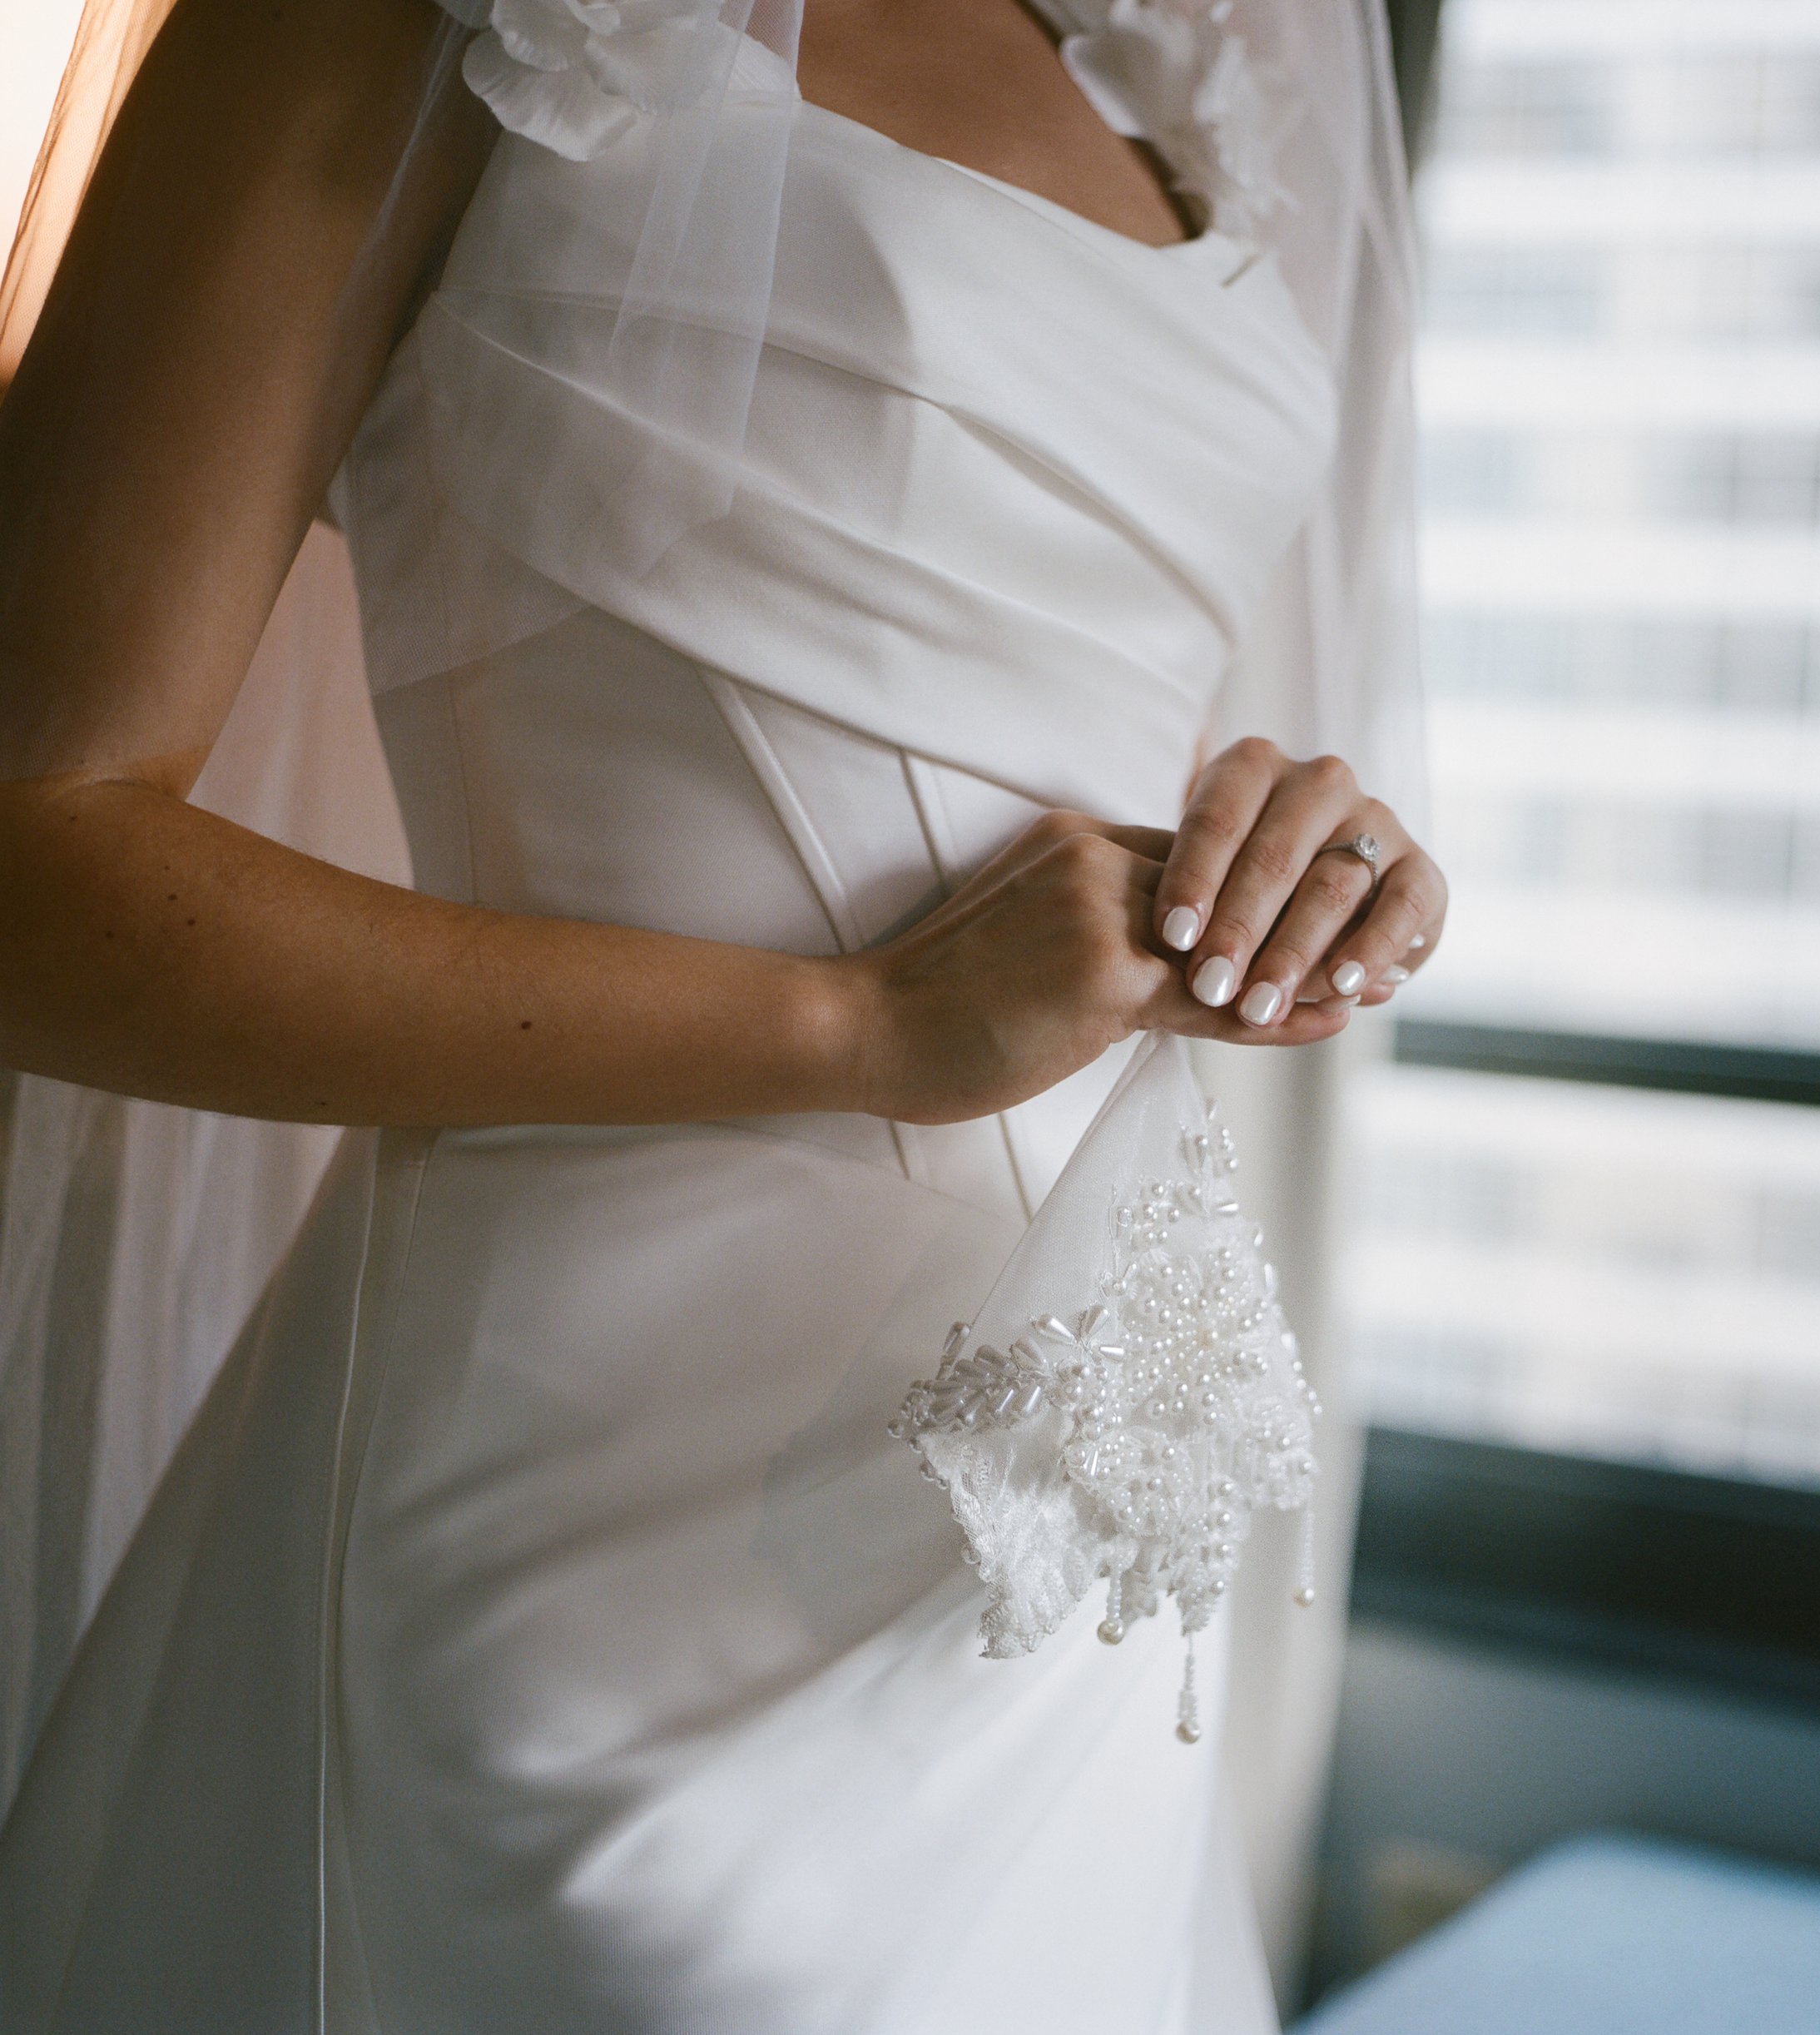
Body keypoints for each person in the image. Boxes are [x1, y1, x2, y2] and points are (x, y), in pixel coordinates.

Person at [0, 0, 1441, 2027]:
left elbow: (1063, 726)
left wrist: (1285, 864)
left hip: (1058, 1529)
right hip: (591, 1565)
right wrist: (853, 1028)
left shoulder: (1169, 73)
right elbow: (33, 855)